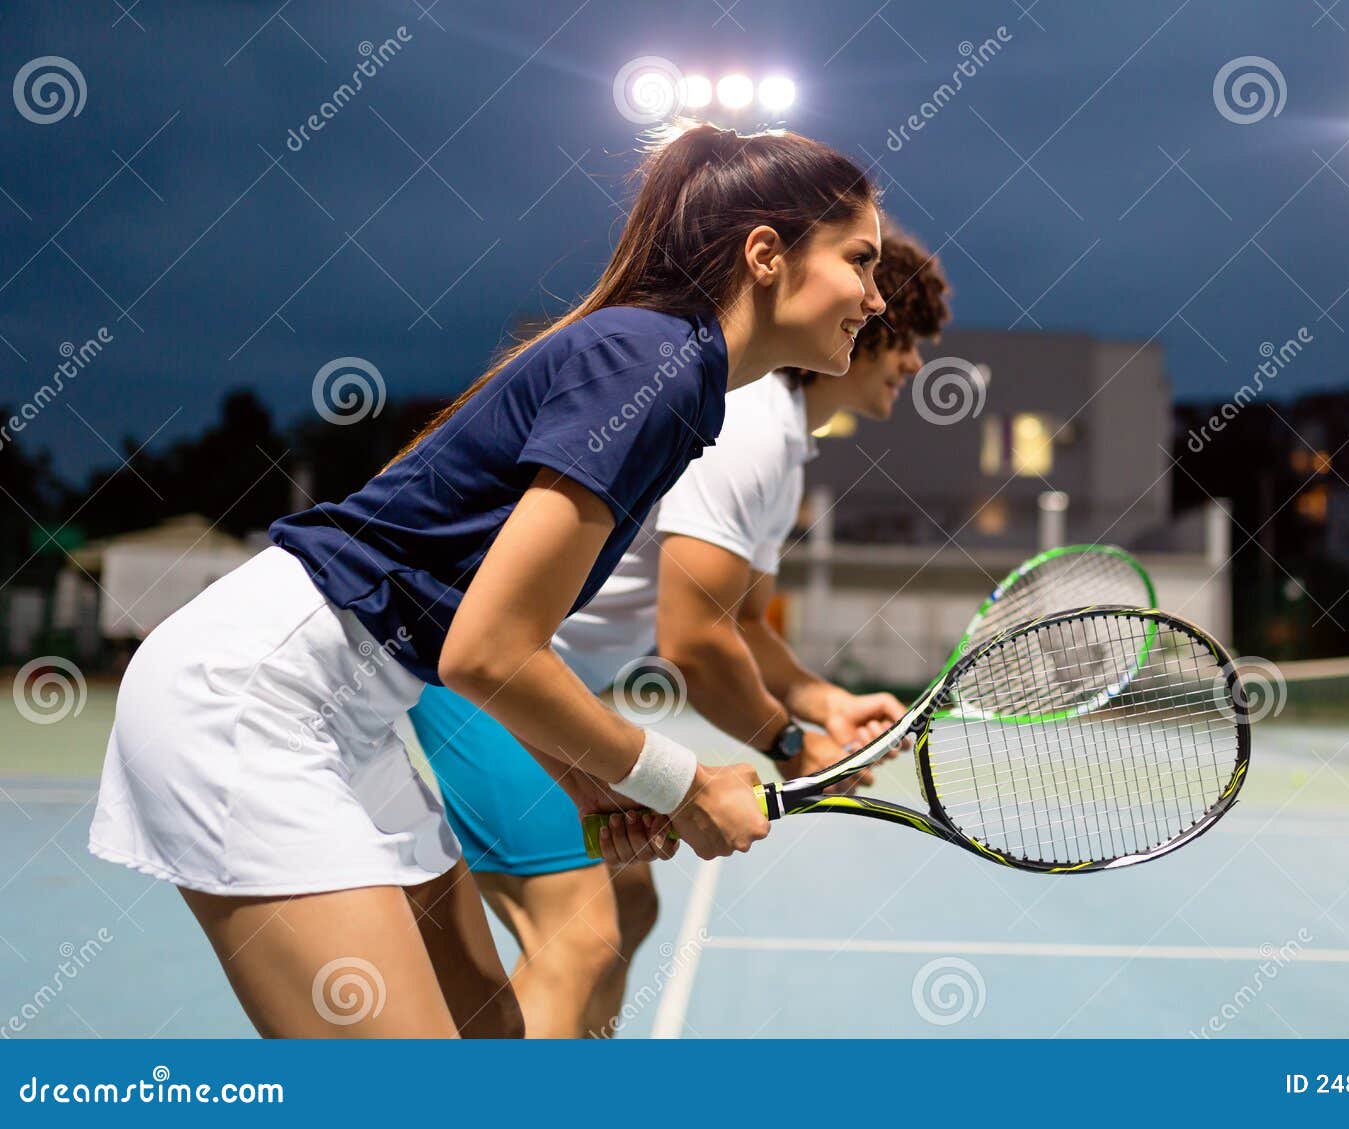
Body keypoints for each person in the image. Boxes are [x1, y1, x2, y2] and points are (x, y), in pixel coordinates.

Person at [87, 122, 886, 1038]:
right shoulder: (653, 364)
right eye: (858, 261)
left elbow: (486, 632)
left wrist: (584, 776)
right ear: (765, 255)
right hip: (253, 698)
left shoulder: (674, 376)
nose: (873, 294)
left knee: (493, 1043)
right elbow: (488, 650)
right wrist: (686, 782)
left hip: (354, 709)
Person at [408, 227, 953, 1036]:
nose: (913, 363)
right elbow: (694, 641)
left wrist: (821, 702)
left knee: (624, 902)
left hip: (510, 670)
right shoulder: (753, 426)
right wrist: (793, 747)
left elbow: (740, 623)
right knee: (580, 937)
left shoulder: (782, 441)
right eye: (908, 339)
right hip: (470, 667)